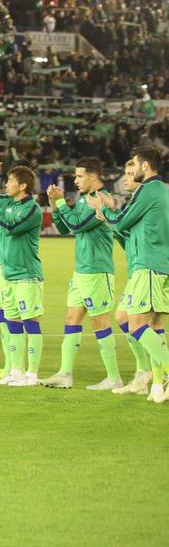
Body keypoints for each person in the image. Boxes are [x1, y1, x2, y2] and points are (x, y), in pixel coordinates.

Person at [91, 147, 169, 403]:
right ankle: (156, 384)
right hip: (155, 265)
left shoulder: (148, 190)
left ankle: (158, 375)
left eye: (134, 164)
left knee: (136, 324)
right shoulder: (162, 191)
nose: (132, 170)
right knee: (149, 323)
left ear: (145, 166)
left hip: (149, 266)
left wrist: (103, 212)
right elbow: (130, 232)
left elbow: (122, 222)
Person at [43, 157, 122, 390]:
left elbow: (77, 225)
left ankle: (114, 377)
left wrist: (59, 205)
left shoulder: (100, 200)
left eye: (79, 176)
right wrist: (56, 206)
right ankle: (65, 373)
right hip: (81, 271)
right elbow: (67, 228)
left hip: (97, 271)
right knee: (71, 319)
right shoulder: (84, 199)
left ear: (94, 176)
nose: (75, 180)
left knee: (100, 322)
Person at [0, 163, 45, 387]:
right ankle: (16, 371)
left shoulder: (32, 209)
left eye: (9, 181)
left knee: (30, 322)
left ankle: (32, 374)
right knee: (13, 323)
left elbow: (9, 228)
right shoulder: (5, 204)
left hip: (27, 275)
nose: (6, 185)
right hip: (8, 274)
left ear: (23, 185)